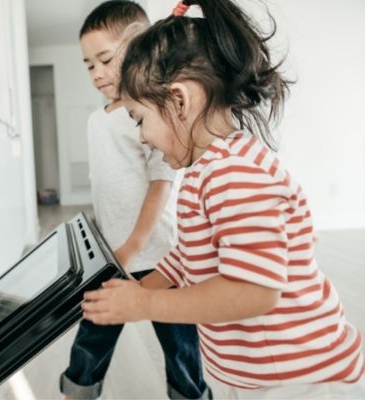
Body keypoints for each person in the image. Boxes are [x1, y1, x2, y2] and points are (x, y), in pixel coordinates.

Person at [82, 0, 365, 398]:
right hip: (258, 373)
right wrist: (141, 289)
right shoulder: (203, 172)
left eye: (140, 119)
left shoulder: (235, 173)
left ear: (179, 101)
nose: (142, 137)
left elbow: (253, 291)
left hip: (299, 379)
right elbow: (189, 256)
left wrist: (146, 307)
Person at [59, 1, 210, 399]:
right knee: (94, 329)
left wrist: (134, 246)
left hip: (157, 254)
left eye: (105, 60)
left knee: (179, 342)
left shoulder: (147, 112)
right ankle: (78, 390)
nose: (97, 73)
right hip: (114, 254)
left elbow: (162, 182)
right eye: (88, 65)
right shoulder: (97, 120)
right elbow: (106, 185)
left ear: (139, 49)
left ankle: (190, 394)